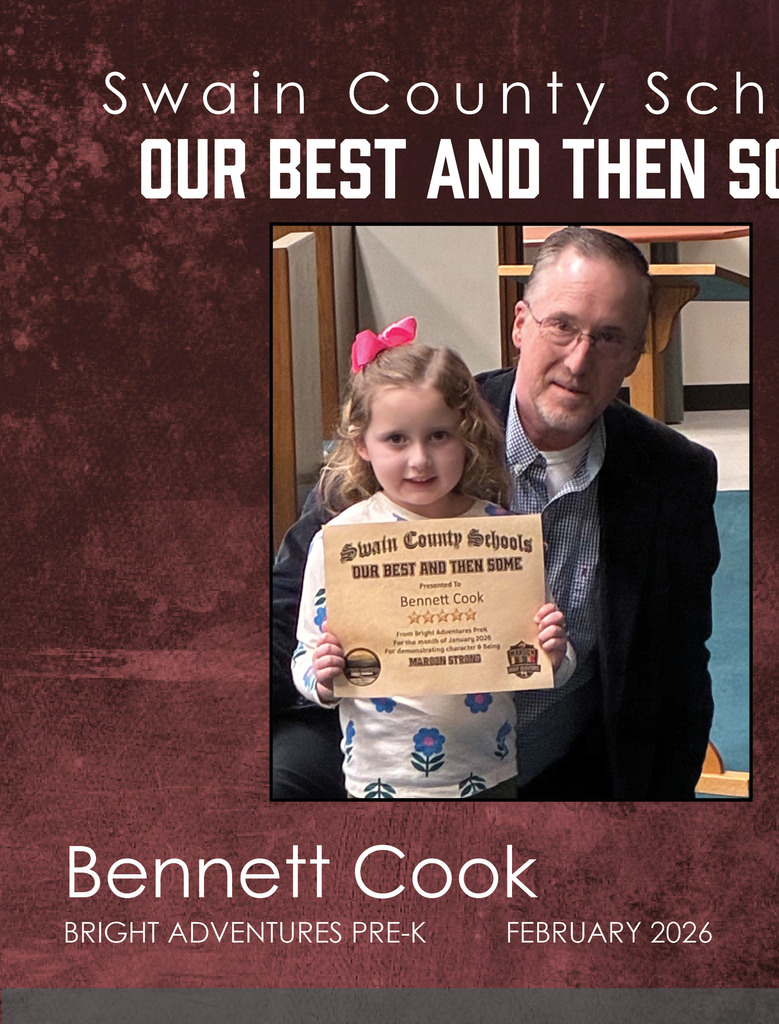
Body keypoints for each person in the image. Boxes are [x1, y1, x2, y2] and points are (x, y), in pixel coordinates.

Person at [272, 226, 719, 800]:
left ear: (635, 354)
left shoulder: (673, 476)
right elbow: (283, 609)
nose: (578, 360)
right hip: (367, 746)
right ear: (519, 326)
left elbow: (679, 673)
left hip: (549, 761)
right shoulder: (414, 436)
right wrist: (323, 675)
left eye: (609, 338)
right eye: (562, 325)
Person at [290, 321, 572, 799]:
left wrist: (556, 651)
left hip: (492, 773)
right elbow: (303, 659)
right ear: (362, 444)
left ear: (467, 434)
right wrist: (321, 676)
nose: (419, 460)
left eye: (438, 436)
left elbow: (546, 665)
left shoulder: (503, 536)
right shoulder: (338, 542)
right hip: (378, 783)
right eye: (396, 439)